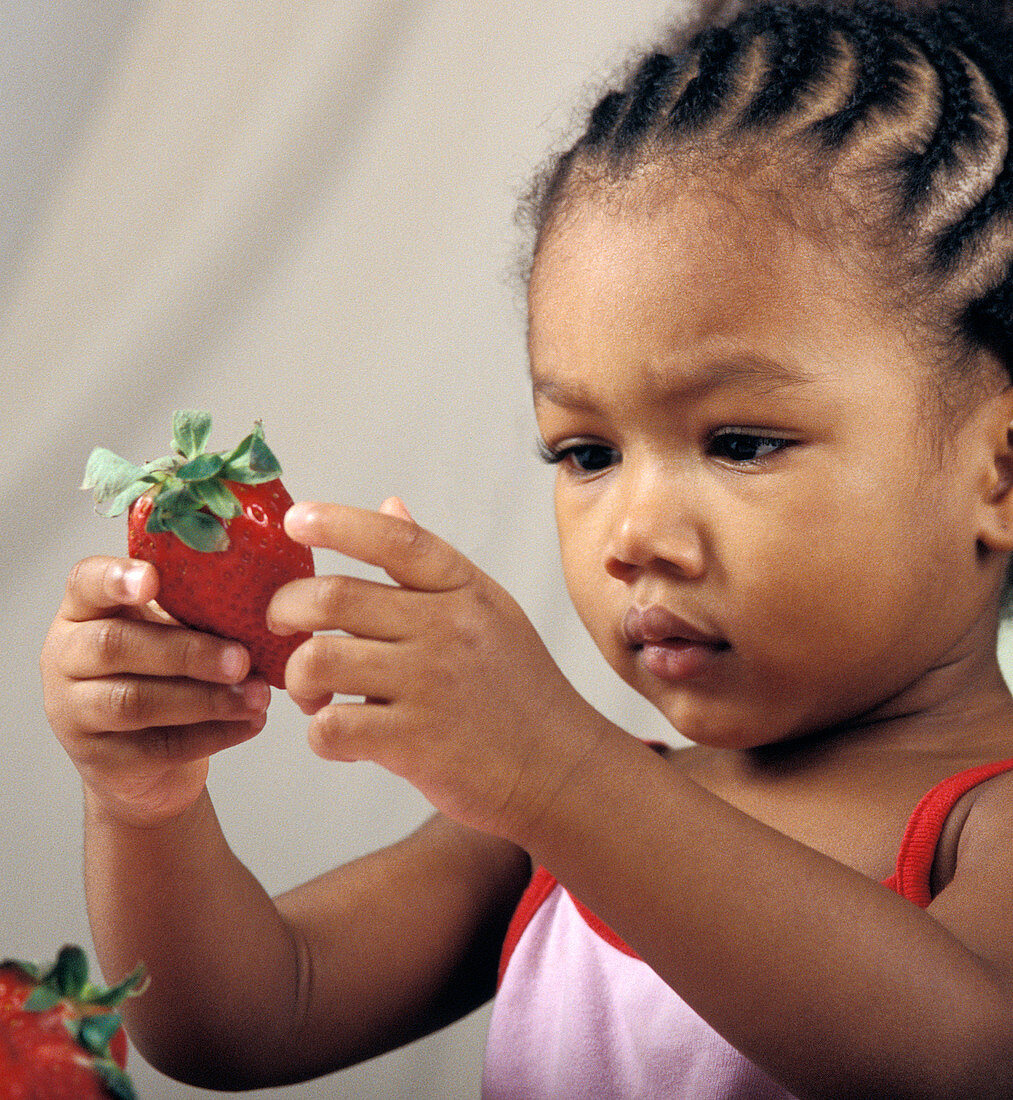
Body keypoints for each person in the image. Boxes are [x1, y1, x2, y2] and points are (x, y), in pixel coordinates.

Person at [39, 0, 1013, 1096]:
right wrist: (146, 806)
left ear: (998, 471)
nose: (633, 534)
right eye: (584, 452)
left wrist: (554, 770)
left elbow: (967, 1058)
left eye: (738, 441)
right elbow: (249, 1014)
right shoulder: (537, 835)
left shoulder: (986, 817)